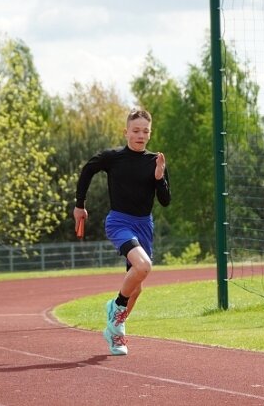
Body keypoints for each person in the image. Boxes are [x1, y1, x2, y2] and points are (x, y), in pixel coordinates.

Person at [73, 108, 170, 356]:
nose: (140, 135)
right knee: (144, 266)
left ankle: (114, 332)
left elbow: (165, 201)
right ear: (126, 131)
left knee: (136, 288)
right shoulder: (113, 157)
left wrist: (160, 178)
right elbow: (87, 170)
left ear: (150, 133)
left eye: (145, 131)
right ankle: (116, 308)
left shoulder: (155, 161)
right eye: (135, 130)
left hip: (144, 225)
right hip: (119, 222)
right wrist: (79, 205)